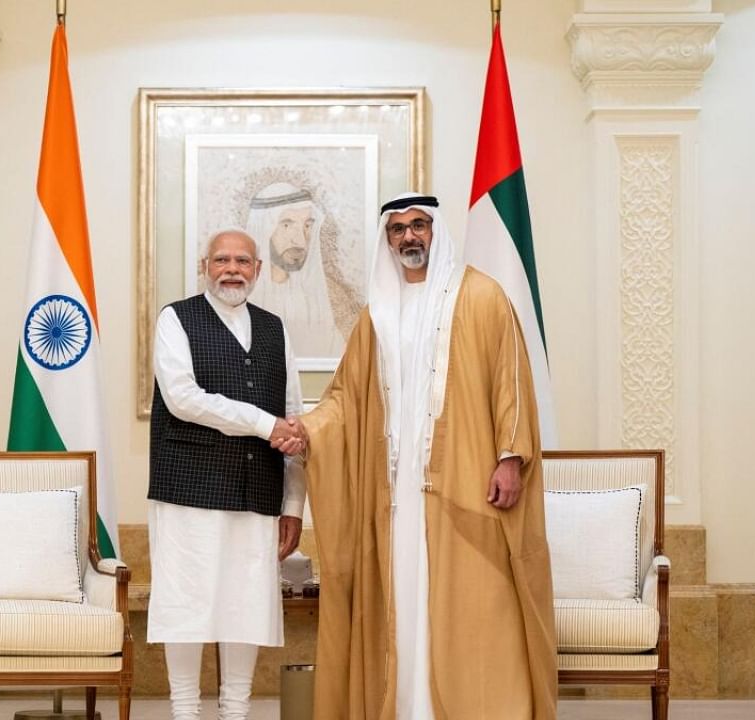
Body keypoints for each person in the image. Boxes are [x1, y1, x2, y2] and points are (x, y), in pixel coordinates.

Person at [284, 193, 558, 719]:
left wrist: (510, 458)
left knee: (477, 606)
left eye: (419, 226)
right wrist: (308, 429)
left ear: (437, 231)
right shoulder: (377, 316)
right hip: (394, 497)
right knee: (402, 605)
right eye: (398, 230)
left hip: (465, 485)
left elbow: (513, 384)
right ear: (387, 239)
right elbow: (345, 397)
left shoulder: (480, 297)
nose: (409, 237)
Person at [147, 228, 308, 720]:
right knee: (187, 605)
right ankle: (185, 712)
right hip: (187, 488)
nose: (231, 269)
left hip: (258, 490)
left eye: (242, 260)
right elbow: (184, 398)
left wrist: (293, 505)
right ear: (204, 266)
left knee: (246, 605)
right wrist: (265, 426)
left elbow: (293, 417)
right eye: (221, 260)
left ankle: (235, 711)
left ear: (258, 269)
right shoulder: (176, 318)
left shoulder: (275, 327)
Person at [244, 182, 355, 361]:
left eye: (307, 226)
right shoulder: (236, 295)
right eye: (286, 225)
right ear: (264, 229)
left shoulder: (330, 296)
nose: (300, 241)